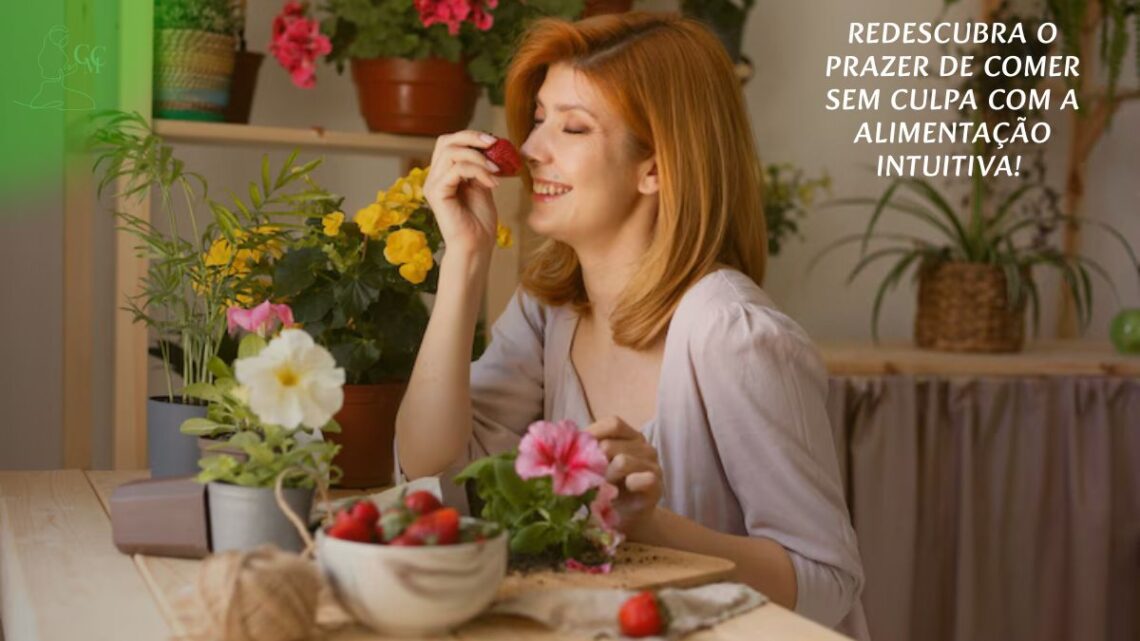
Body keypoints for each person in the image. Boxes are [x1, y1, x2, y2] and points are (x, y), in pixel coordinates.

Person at [395, 11, 869, 638]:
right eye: (538, 118)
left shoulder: (735, 336)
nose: (533, 149)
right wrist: (465, 257)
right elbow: (428, 466)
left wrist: (654, 527)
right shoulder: (550, 312)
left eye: (573, 127)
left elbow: (827, 583)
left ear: (657, 168)